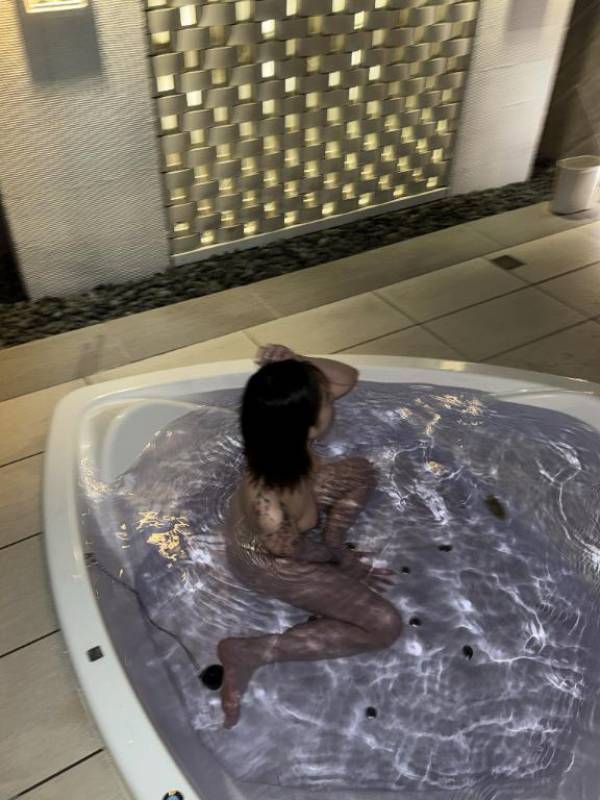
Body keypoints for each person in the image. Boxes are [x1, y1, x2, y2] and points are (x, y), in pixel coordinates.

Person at [219, 345, 403, 728]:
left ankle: (333, 540)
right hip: (272, 564)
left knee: (361, 471)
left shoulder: (279, 435)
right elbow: (292, 552)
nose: (334, 402)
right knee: (384, 625)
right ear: (308, 426)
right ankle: (252, 651)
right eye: (327, 402)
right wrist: (341, 562)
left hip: (297, 516)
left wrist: (295, 363)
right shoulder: (267, 504)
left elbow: (347, 377)